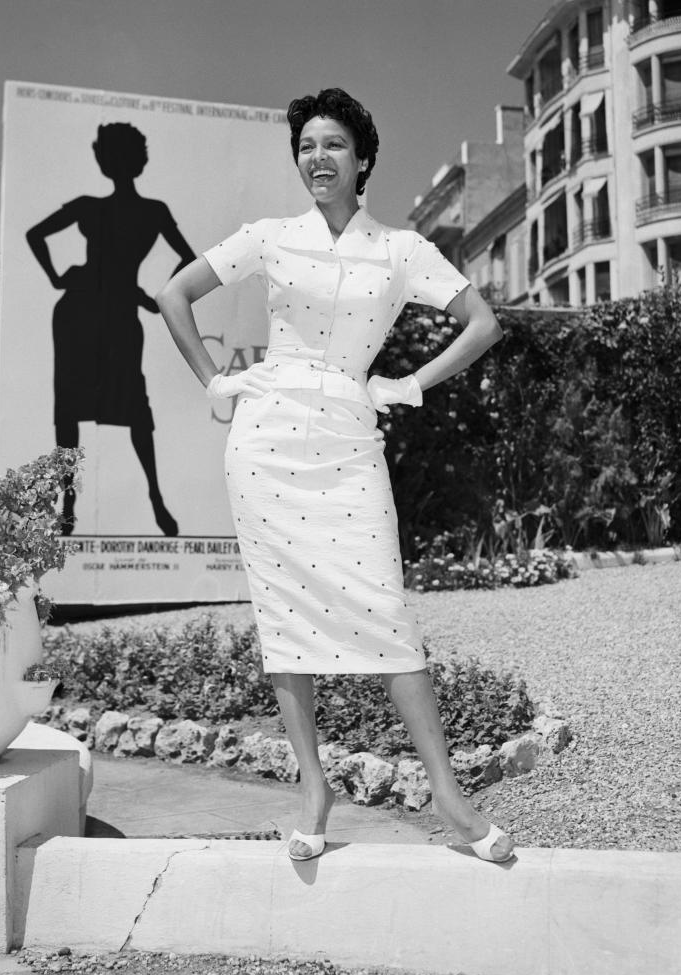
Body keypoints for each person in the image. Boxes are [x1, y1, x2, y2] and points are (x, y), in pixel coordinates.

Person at [156, 88, 513, 864]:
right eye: (307, 145)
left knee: (387, 612)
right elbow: (173, 294)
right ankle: (313, 787)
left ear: (364, 159)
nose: (317, 157)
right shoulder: (270, 237)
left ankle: (447, 795)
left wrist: (410, 384)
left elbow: (483, 323)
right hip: (265, 444)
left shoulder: (402, 250)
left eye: (333, 145)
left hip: (349, 440)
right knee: (285, 624)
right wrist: (217, 381)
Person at [26, 122, 195, 536]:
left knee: (111, 406)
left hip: (92, 309)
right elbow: (187, 258)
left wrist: (57, 276)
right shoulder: (148, 211)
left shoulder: (97, 207)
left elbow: (36, 236)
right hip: (101, 311)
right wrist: (152, 297)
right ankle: (87, 500)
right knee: (93, 405)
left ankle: (108, 499)